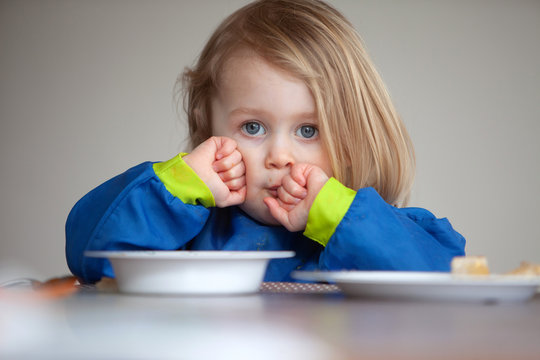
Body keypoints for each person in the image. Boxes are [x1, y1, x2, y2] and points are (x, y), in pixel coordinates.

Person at [65, 0, 465, 283]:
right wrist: (178, 185)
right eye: (253, 128)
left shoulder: (382, 227)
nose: (280, 157)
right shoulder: (187, 232)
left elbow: (446, 278)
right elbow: (91, 256)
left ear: (352, 133)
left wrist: (334, 213)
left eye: (308, 131)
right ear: (208, 127)